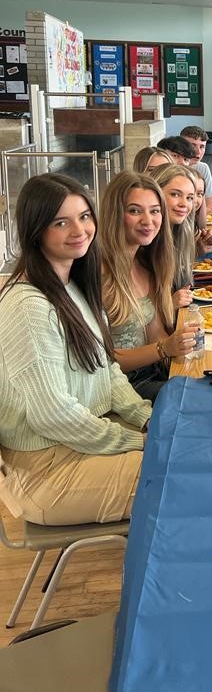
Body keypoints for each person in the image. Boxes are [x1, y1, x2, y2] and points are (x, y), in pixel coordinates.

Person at [0, 174, 151, 525]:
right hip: (47, 472)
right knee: (181, 477)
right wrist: (135, 440)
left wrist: (145, 417)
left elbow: (107, 369)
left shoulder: (73, 285)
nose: (79, 230)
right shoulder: (29, 307)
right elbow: (52, 415)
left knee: (187, 456)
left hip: (79, 442)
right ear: (35, 230)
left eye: (84, 216)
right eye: (61, 222)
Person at [101, 172, 198, 402]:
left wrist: (183, 351)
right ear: (115, 214)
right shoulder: (99, 273)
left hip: (153, 373)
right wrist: (164, 349)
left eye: (154, 211)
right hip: (121, 387)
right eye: (135, 211)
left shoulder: (147, 265)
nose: (148, 221)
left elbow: (155, 333)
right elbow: (103, 361)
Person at [147, 164, 196, 304]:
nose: (184, 204)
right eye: (175, 194)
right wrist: (170, 304)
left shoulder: (181, 233)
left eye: (189, 198)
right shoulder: (146, 241)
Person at [180, 126, 212, 216]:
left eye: (202, 146)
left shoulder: (202, 168)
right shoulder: (170, 168)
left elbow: (211, 208)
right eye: (193, 145)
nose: (198, 152)